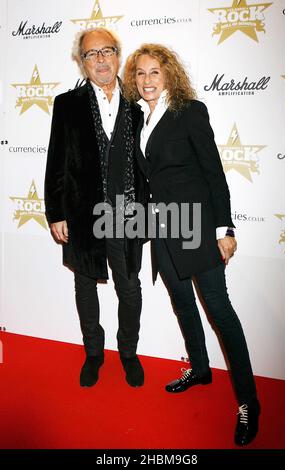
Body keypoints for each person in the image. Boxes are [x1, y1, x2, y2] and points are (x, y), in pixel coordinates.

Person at [123, 44, 260, 446]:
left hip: (198, 226)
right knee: (182, 302)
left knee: (219, 309)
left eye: (155, 73)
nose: (147, 80)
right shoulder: (140, 120)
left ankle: (249, 401)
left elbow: (214, 173)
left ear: (169, 76)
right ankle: (199, 369)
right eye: (140, 74)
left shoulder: (190, 111)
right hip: (164, 229)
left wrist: (225, 228)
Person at [44, 28, 145, 389]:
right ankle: (94, 353)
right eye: (91, 54)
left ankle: (129, 352)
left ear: (118, 55)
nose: (101, 59)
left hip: (127, 214)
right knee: (85, 285)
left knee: (130, 288)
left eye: (107, 51)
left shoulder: (136, 108)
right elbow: (56, 162)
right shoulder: (66, 104)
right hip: (82, 214)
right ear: (82, 62)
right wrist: (55, 212)